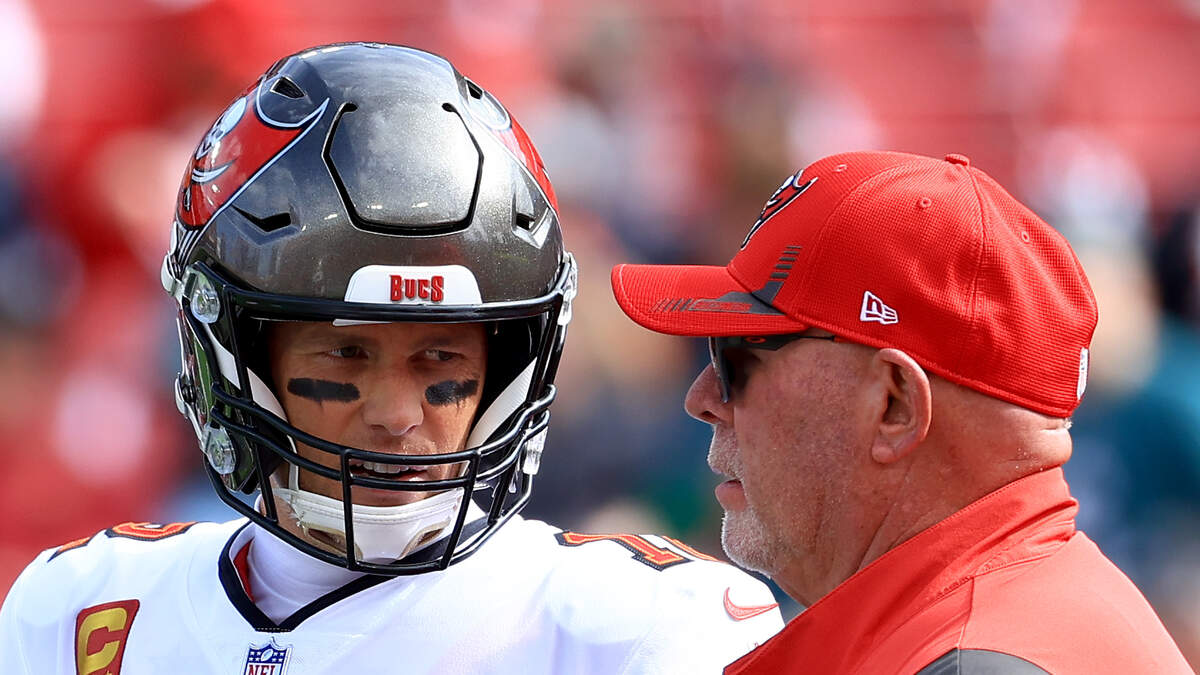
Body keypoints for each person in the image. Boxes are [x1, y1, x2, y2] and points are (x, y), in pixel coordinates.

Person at [0, 43, 782, 674]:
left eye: (439, 357)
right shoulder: (83, 612)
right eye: (347, 352)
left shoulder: (637, 631)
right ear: (240, 352)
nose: (398, 413)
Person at [610, 150, 1193, 674]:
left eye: (737, 357)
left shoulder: (972, 659)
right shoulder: (1009, 613)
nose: (702, 399)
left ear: (895, 405)